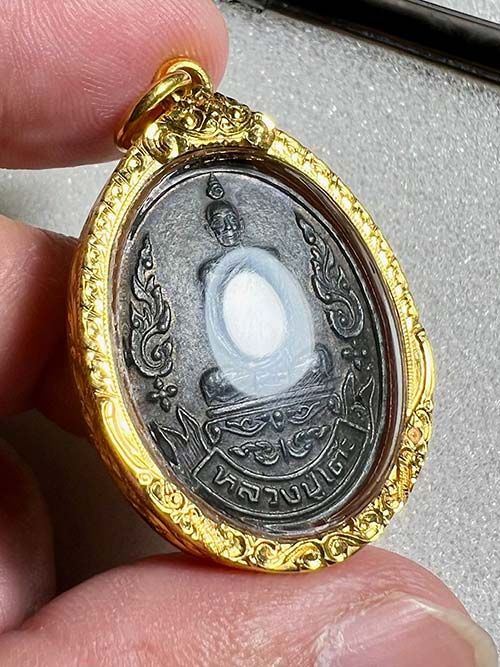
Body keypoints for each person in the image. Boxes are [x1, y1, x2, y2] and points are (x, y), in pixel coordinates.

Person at [0, 1, 495, 665]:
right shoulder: (209, 266)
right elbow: (220, 339)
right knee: (211, 381)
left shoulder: (261, 250)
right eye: (223, 227)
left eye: (233, 225)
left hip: (289, 372)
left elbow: (294, 322)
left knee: (317, 361)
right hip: (235, 384)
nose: (230, 230)